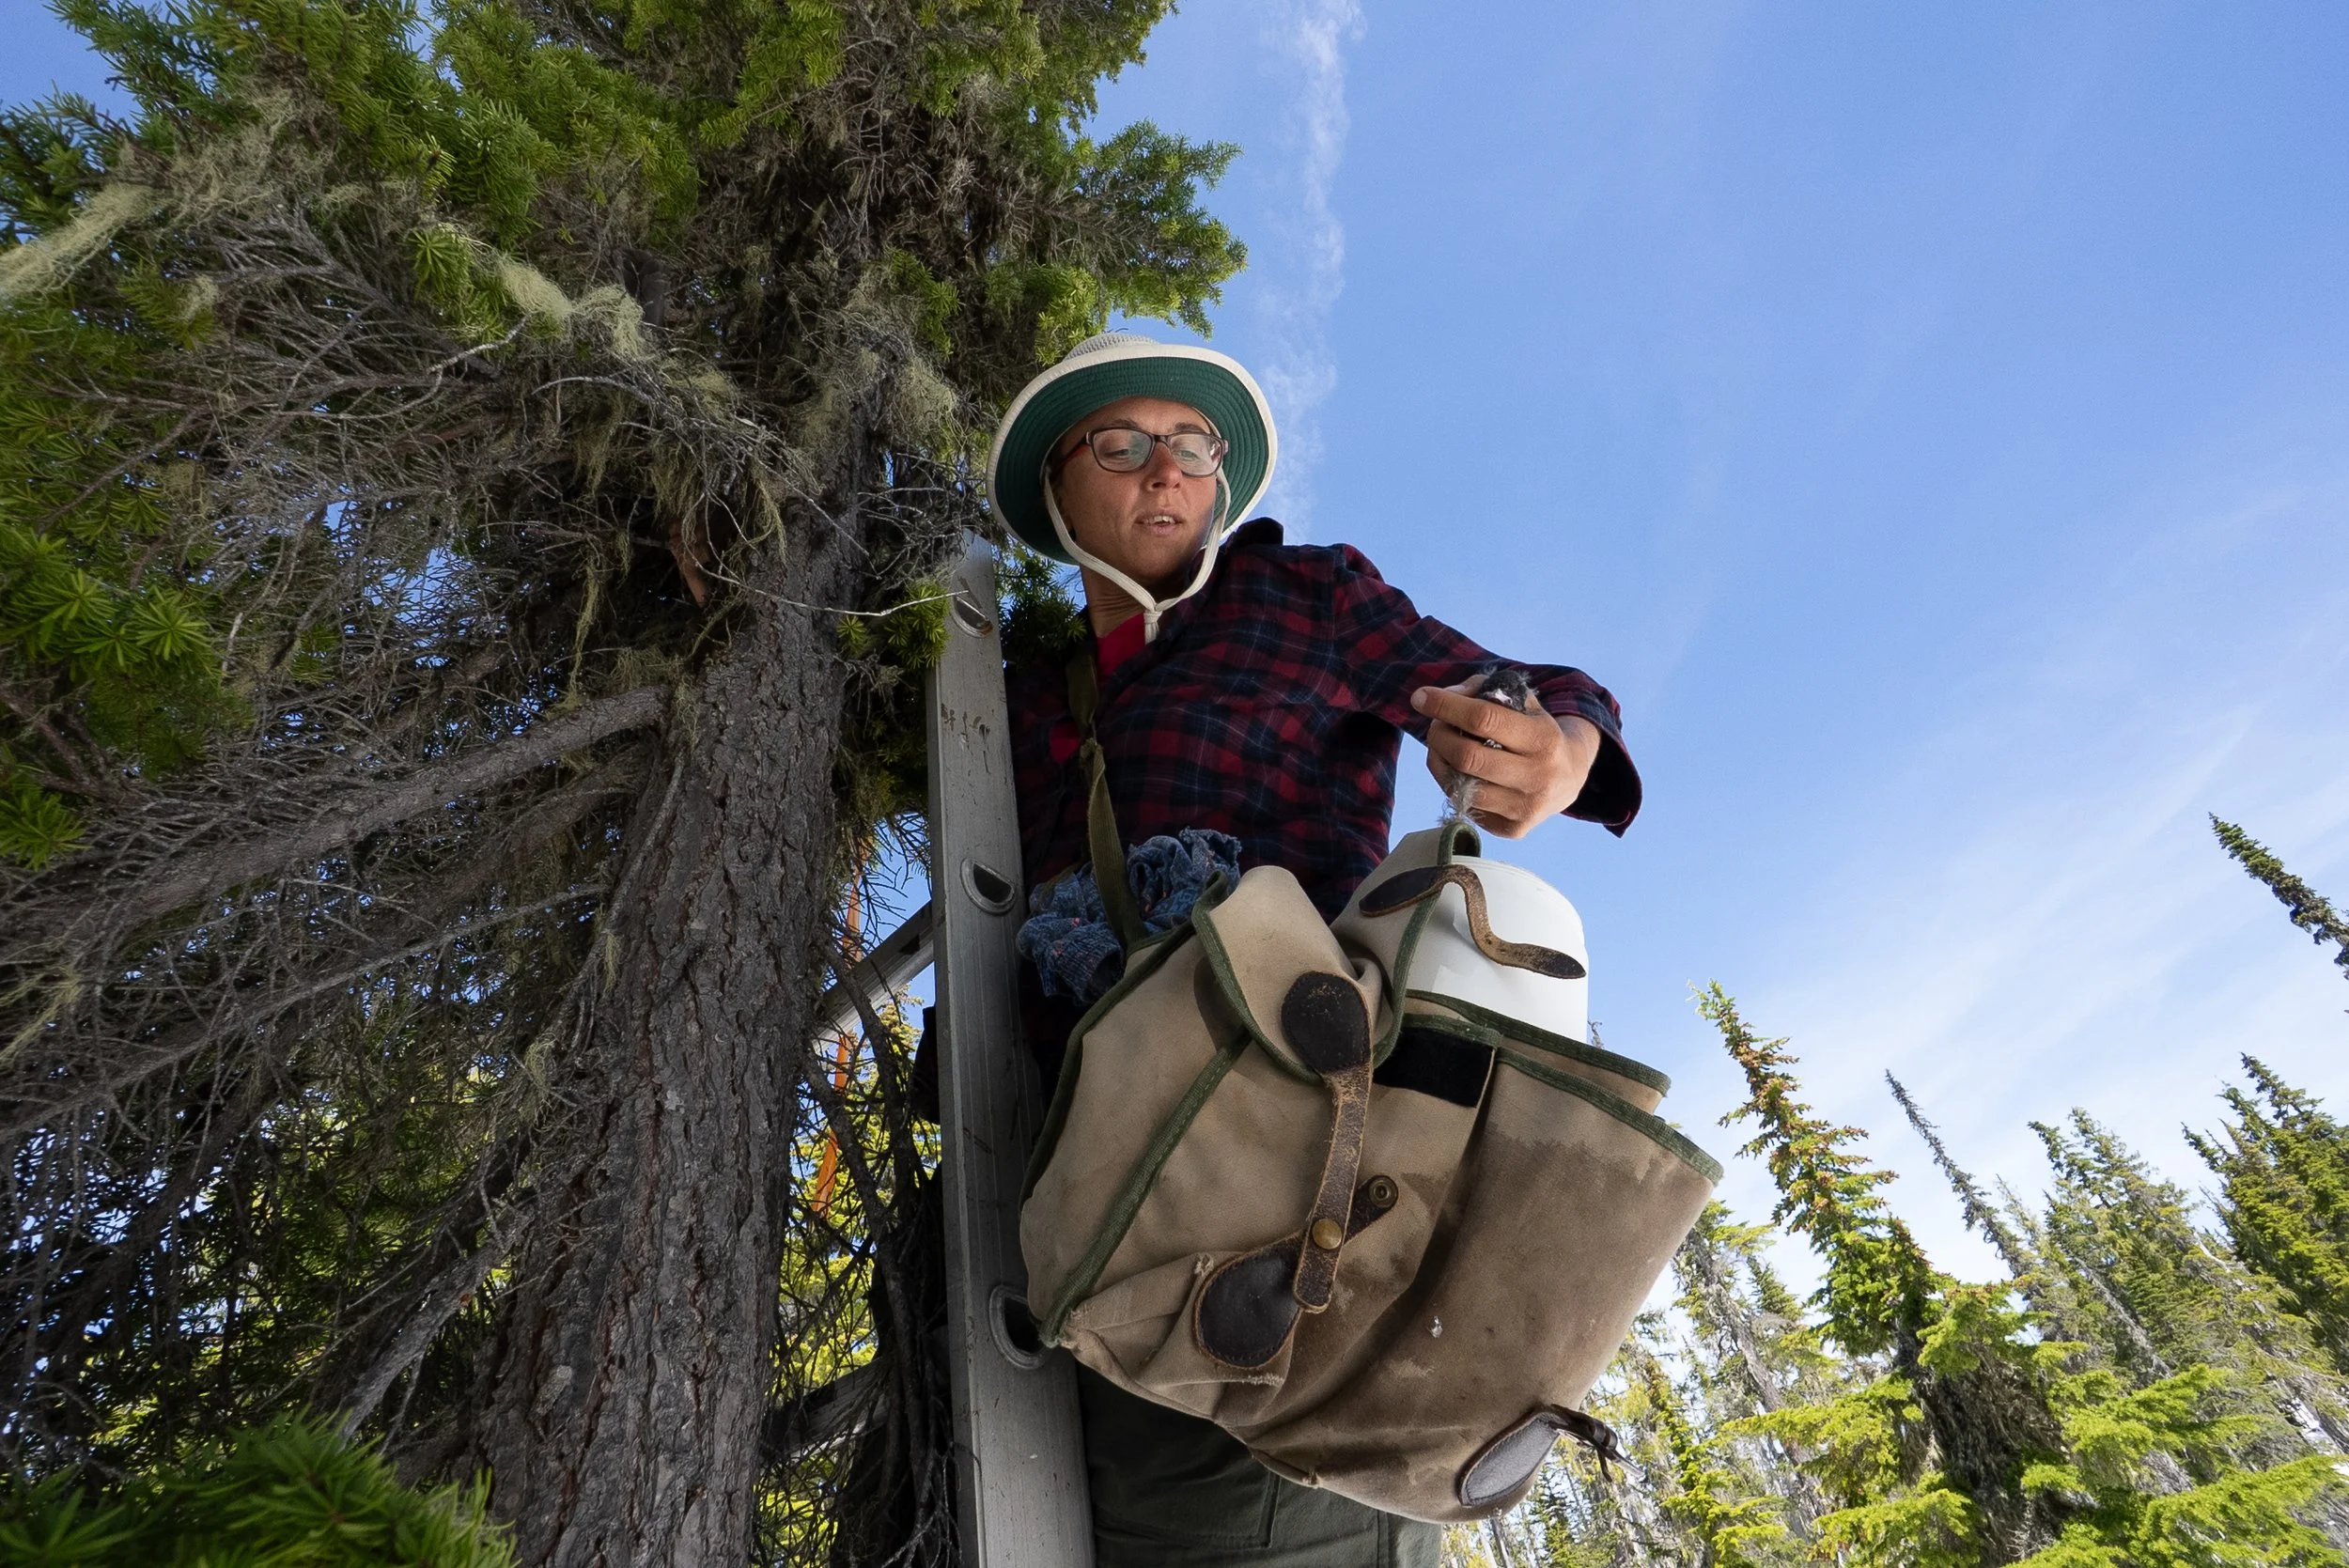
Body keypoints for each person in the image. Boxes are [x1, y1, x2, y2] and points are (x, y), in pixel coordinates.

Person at [987, 332, 1641, 1568]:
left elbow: (1505, 688)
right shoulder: (1019, 694)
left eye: (1192, 447)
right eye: (1122, 444)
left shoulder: (1304, 597)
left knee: (1253, 1506)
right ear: (1057, 487)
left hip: (1282, 1150)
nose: (1165, 472)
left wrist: (1556, 745)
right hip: (1070, 1177)